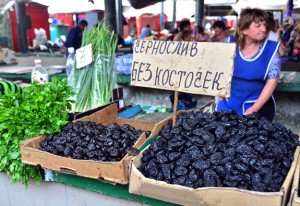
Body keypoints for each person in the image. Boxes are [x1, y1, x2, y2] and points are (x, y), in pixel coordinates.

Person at [216, 8, 281, 122]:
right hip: (229, 101)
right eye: (258, 26)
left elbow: (272, 81)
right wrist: (220, 97)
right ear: (244, 29)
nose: (263, 29)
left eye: (264, 25)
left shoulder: (271, 49)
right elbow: (219, 70)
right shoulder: (229, 44)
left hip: (259, 103)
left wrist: (254, 108)